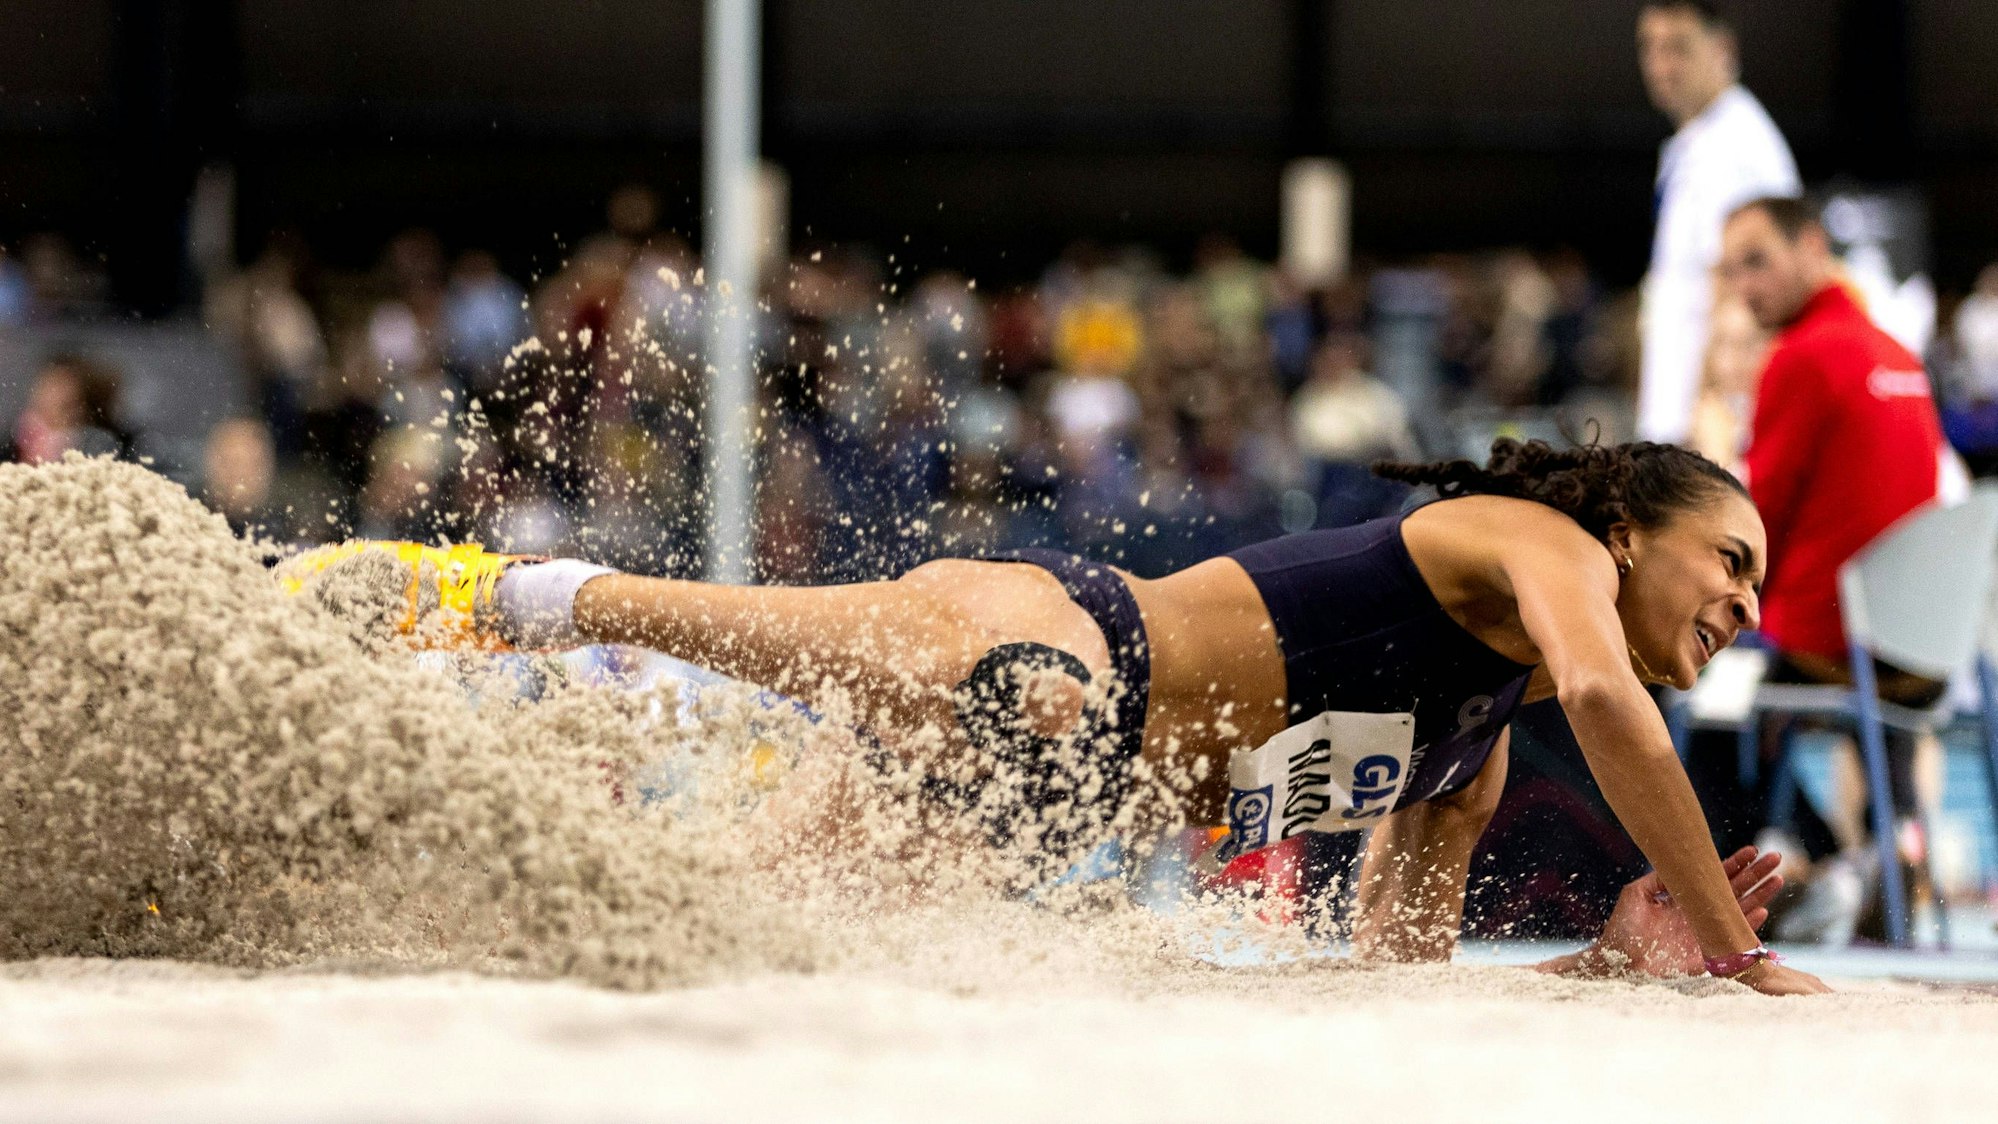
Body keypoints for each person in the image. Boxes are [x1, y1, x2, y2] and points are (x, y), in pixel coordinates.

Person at [304, 438, 1828, 995]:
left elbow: (1387, 991)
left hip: (1045, 802)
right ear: (1628, 530)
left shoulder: (1471, 761)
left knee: (714, 932)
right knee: (677, 621)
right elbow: (1613, 710)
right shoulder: (1535, 539)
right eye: (1731, 563)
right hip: (1052, 642)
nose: (1745, 605)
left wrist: (1608, 968)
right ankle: (448, 592)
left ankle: (342, 875)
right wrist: (1736, 946)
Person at [1712, 196, 1959, 933]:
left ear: (1812, 247)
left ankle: (1797, 868)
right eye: (1731, 271)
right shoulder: (1898, 354)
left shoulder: (1801, 355)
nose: (1744, 286)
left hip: (1833, 646)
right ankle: (1892, 845)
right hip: (1924, 649)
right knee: (1870, 712)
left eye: (1757, 261)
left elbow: (1755, 527)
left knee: (1702, 706)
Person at [1636, 0, 1799, 444]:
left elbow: (1738, 295)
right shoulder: (1698, 141)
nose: (1660, 65)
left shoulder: (1736, 148)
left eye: (1678, 48)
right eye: (1650, 47)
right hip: (1677, 416)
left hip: (1704, 428)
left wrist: (1706, 413)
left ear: (1722, 47)